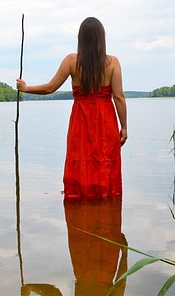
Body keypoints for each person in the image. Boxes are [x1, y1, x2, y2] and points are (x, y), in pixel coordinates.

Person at [16, 17, 127, 199]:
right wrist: (124, 127)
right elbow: (119, 98)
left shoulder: (71, 61)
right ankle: (105, 203)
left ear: (80, 38)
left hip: (81, 118)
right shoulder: (112, 62)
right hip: (105, 119)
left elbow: (50, 88)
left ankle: (80, 203)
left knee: (81, 158)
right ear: (102, 38)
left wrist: (26, 88)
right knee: (104, 160)